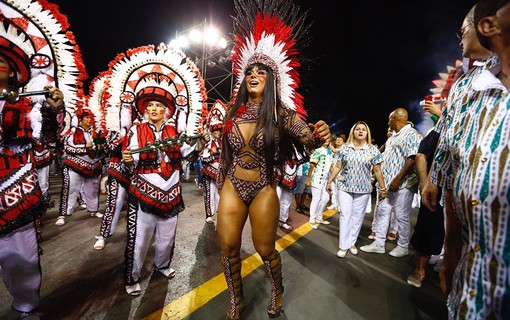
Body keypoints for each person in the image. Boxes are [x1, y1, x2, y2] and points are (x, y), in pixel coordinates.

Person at [216, 0, 331, 318]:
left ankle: (277, 287)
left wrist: (319, 135)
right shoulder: (232, 112)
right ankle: (236, 300)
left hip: (264, 187)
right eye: (249, 71)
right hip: (233, 184)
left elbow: (307, 142)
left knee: (265, 248)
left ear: (272, 79)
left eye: (260, 72)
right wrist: (221, 177)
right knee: (228, 247)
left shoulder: (282, 114)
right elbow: (224, 153)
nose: (253, 75)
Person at [423, 1, 510, 318]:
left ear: (489, 27)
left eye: (463, 31)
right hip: (473, 283)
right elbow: (457, 171)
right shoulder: (465, 88)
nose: (460, 38)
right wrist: (451, 254)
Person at [0, 18, 67, 319]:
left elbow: (47, 140)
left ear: (14, 71)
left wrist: (52, 110)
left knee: (22, 257)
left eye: (3, 60)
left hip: (15, 189)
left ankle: (27, 307)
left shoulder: (27, 107)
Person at [360, 108, 421, 257]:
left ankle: (403, 246)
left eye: (389, 120)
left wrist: (398, 179)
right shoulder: (393, 137)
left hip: (403, 183)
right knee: (383, 212)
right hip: (388, 184)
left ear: (394, 119)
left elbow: (412, 158)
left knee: (401, 215)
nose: (388, 123)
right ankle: (379, 243)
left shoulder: (412, 134)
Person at [327, 121, 387, 258]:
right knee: (345, 215)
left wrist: (383, 188)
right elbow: (337, 166)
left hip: (364, 189)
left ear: (367, 133)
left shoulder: (373, 150)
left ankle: (352, 243)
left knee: (357, 217)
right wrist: (330, 181)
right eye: (357, 129)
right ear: (353, 132)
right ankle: (343, 246)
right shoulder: (344, 148)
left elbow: (377, 171)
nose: (360, 131)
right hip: (345, 187)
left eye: (363, 130)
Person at [406, 129, 444, 288]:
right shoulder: (442, 128)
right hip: (437, 188)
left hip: (468, 192)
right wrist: (424, 184)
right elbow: (421, 156)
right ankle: (420, 270)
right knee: (426, 229)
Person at [56, 108, 105, 226]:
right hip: (75, 165)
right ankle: (63, 214)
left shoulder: (97, 133)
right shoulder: (73, 132)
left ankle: (94, 210)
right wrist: (85, 147)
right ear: (81, 120)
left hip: (93, 167)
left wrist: (101, 148)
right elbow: (67, 147)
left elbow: (104, 149)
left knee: (93, 189)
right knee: (70, 189)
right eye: (87, 117)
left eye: (91, 118)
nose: (89, 120)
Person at [200, 100, 226, 224]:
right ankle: (209, 214)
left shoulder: (223, 142)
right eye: (215, 130)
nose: (218, 133)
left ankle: (220, 212)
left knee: (220, 195)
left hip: (221, 172)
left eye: (219, 130)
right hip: (209, 172)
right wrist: (211, 152)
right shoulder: (208, 142)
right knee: (209, 194)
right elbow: (203, 157)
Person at [305, 140, 334, 229]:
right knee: (316, 199)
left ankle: (319, 217)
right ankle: (312, 220)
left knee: (326, 199)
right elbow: (312, 166)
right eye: (323, 140)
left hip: (325, 180)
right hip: (317, 179)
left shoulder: (330, 152)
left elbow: (331, 167)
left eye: (327, 140)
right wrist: (309, 179)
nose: (326, 141)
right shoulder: (318, 151)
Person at [327, 133, 346, 211]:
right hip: (332, 172)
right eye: (337, 139)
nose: (338, 141)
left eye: (340, 140)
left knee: (339, 190)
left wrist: (329, 143)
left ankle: (340, 206)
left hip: (340, 173)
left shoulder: (343, 149)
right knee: (333, 190)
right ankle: (334, 204)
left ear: (344, 142)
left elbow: (335, 151)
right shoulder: (334, 150)